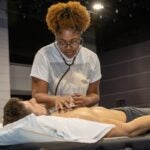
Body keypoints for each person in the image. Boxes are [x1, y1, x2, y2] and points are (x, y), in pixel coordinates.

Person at [30, 1, 101, 111]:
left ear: (80, 34)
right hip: (56, 115)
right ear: (55, 35)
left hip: (84, 114)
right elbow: (37, 95)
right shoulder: (43, 55)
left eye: (74, 41)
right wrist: (56, 99)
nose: (68, 48)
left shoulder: (91, 58)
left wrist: (87, 100)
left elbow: (95, 95)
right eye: (62, 42)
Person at [3, 98, 150, 138]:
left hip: (124, 113)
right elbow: (129, 130)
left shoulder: (57, 118)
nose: (34, 99)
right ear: (34, 119)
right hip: (134, 117)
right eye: (31, 104)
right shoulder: (72, 122)